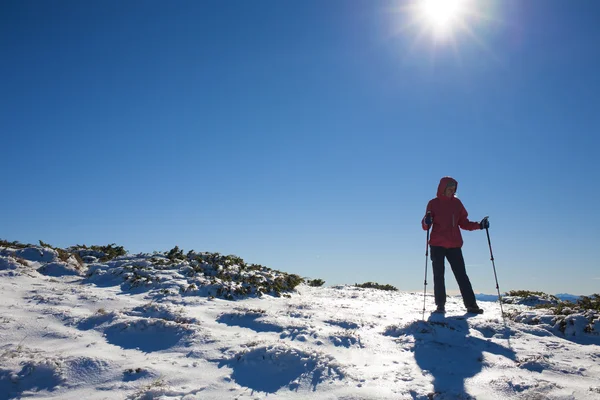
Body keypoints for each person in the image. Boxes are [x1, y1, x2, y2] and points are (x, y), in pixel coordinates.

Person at [421, 177, 489, 314]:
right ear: (443, 188)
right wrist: (427, 220)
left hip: (454, 245)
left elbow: (464, 223)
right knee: (438, 275)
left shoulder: (457, 204)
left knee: (462, 275)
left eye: (454, 189)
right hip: (437, 244)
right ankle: (440, 305)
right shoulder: (433, 203)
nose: (452, 191)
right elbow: (425, 225)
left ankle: (471, 305)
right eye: (449, 189)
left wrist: (479, 226)